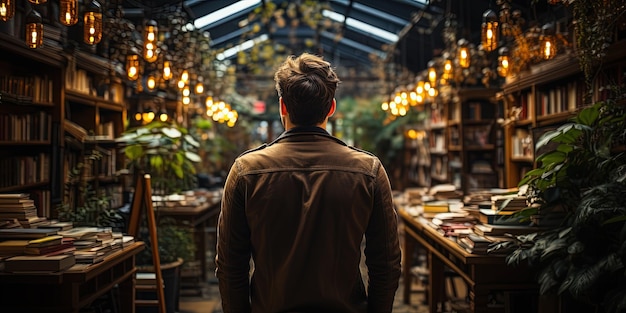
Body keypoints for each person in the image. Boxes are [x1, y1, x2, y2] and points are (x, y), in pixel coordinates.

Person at [215, 52, 401, 313]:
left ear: (282, 106)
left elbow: (230, 266)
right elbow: (387, 265)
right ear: (331, 108)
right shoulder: (368, 171)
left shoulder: (246, 171)